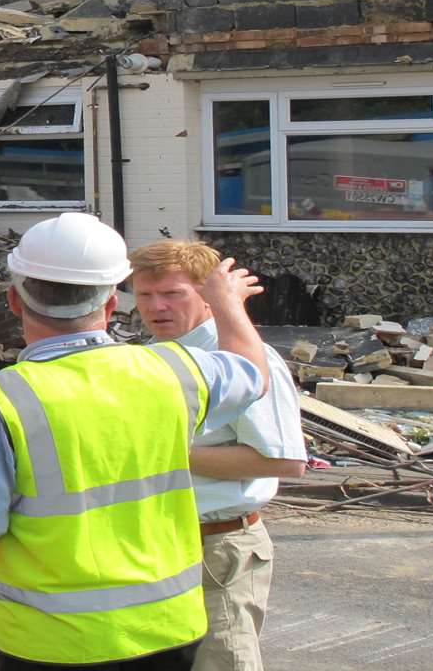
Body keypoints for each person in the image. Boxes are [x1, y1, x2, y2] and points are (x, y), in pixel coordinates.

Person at [0, 213, 273, 671]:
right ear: (113, 303)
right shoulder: (176, 371)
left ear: (14, 300)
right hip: (169, 628)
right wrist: (228, 303)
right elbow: (253, 373)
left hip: (50, 640)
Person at [132, 240, 304, 671]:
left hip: (217, 546)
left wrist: (160, 453)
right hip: (157, 542)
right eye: (145, 295)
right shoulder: (157, 354)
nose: (157, 307)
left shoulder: (237, 357)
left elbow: (284, 461)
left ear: (209, 295)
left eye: (173, 294)